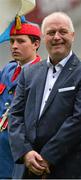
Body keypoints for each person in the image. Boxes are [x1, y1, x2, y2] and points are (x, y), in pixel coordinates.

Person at [8, 12, 81, 179]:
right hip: (28, 170)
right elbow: (15, 116)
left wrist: (46, 157)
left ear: (72, 36)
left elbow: (79, 122)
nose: (57, 37)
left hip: (71, 170)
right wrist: (26, 153)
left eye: (63, 32)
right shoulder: (28, 73)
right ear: (44, 37)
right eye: (51, 32)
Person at [0, 19, 41, 179]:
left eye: (20, 41)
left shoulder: (43, 73)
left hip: (22, 152)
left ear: (35, 44)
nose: (14, 46)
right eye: (12, 41)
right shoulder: (8, 70)